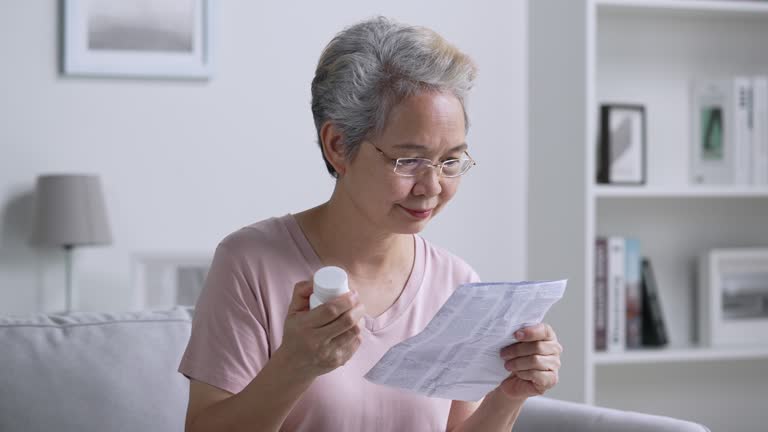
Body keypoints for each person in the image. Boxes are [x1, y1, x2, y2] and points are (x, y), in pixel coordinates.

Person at [178, 16, 562, 432]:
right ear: (338, 146)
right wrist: (293, 367)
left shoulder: (458, 284)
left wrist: (508, 396)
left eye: (450, 160)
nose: (431, 186)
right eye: (409, 160)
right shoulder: (251, 263)